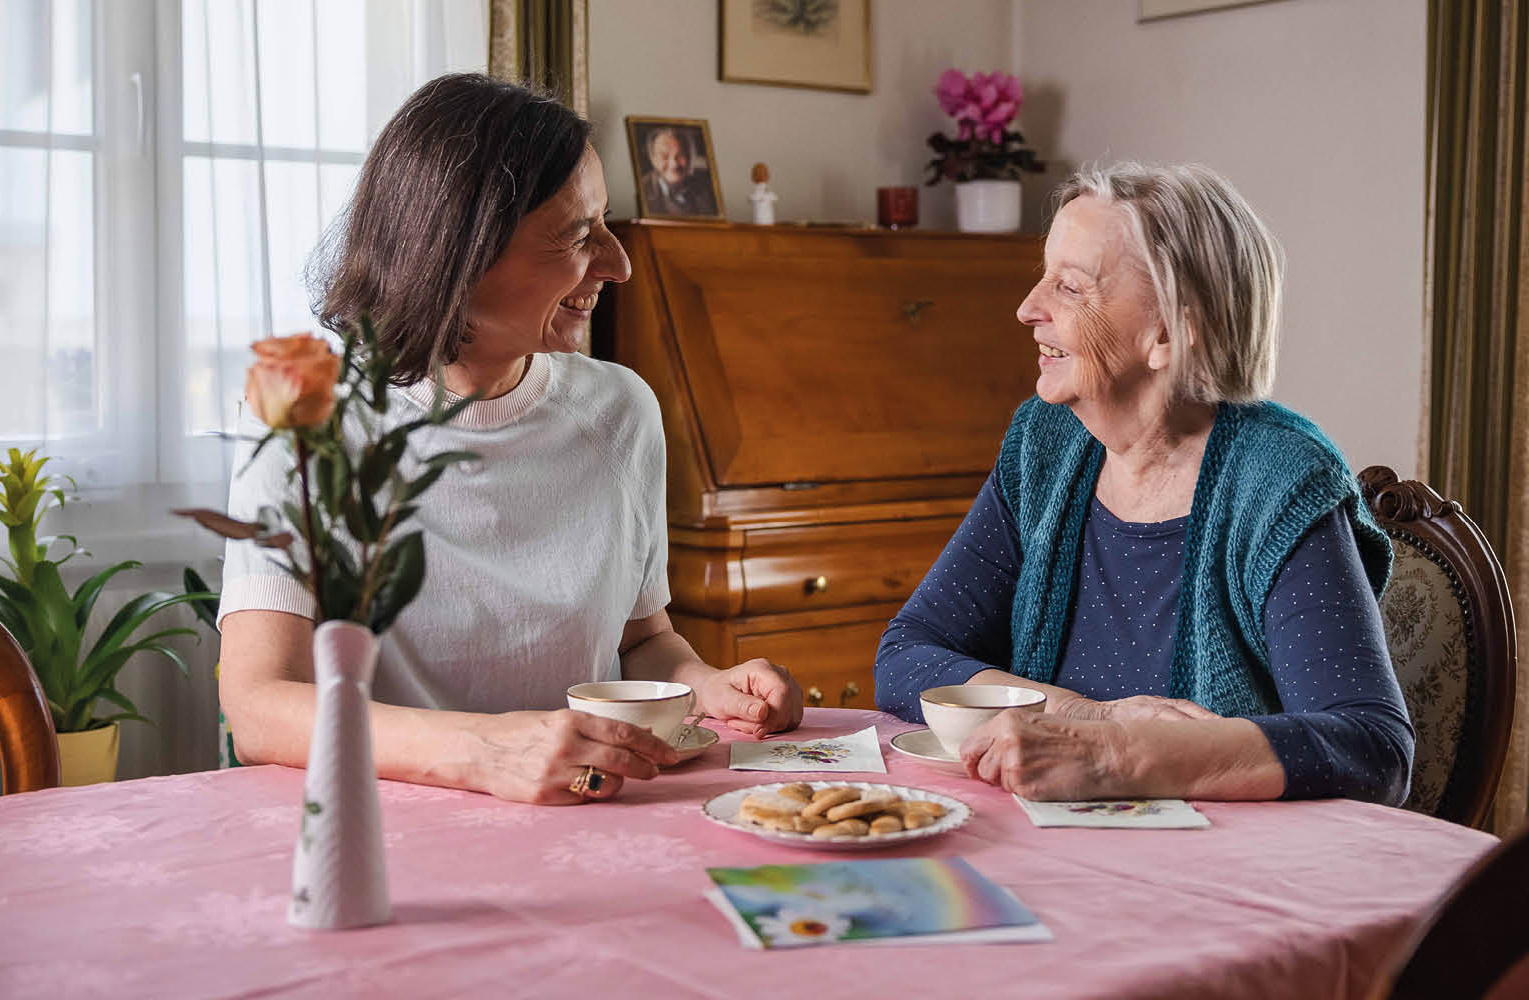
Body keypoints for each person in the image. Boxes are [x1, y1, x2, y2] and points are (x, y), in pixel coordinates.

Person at [216, 74, 804, 806]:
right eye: (578, 235)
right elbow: (259, 708)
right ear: (458, 253)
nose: (619, 264)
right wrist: (484, 753)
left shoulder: (621, 410)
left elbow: (642, 639)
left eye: (607, 224)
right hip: (378, 830)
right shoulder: (305, 415)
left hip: (585, 813)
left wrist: (707, 685)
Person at [874, 162, 1411, 805]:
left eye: (1069, 287)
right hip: (1052, 847)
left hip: (1218, 875)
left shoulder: (1279, 481)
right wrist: (1088, 718)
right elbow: (907, 655)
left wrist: (1124, 756)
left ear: (1168, 333)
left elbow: (1373, 748)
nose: (1027, 309)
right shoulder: (1046, 447)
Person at [641, 127, 717, 217]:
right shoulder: (643, 190)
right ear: (653, 159)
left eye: (680, 154)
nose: (674, 164)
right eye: (664, 156)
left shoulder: (707, 185)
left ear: (689, 157)